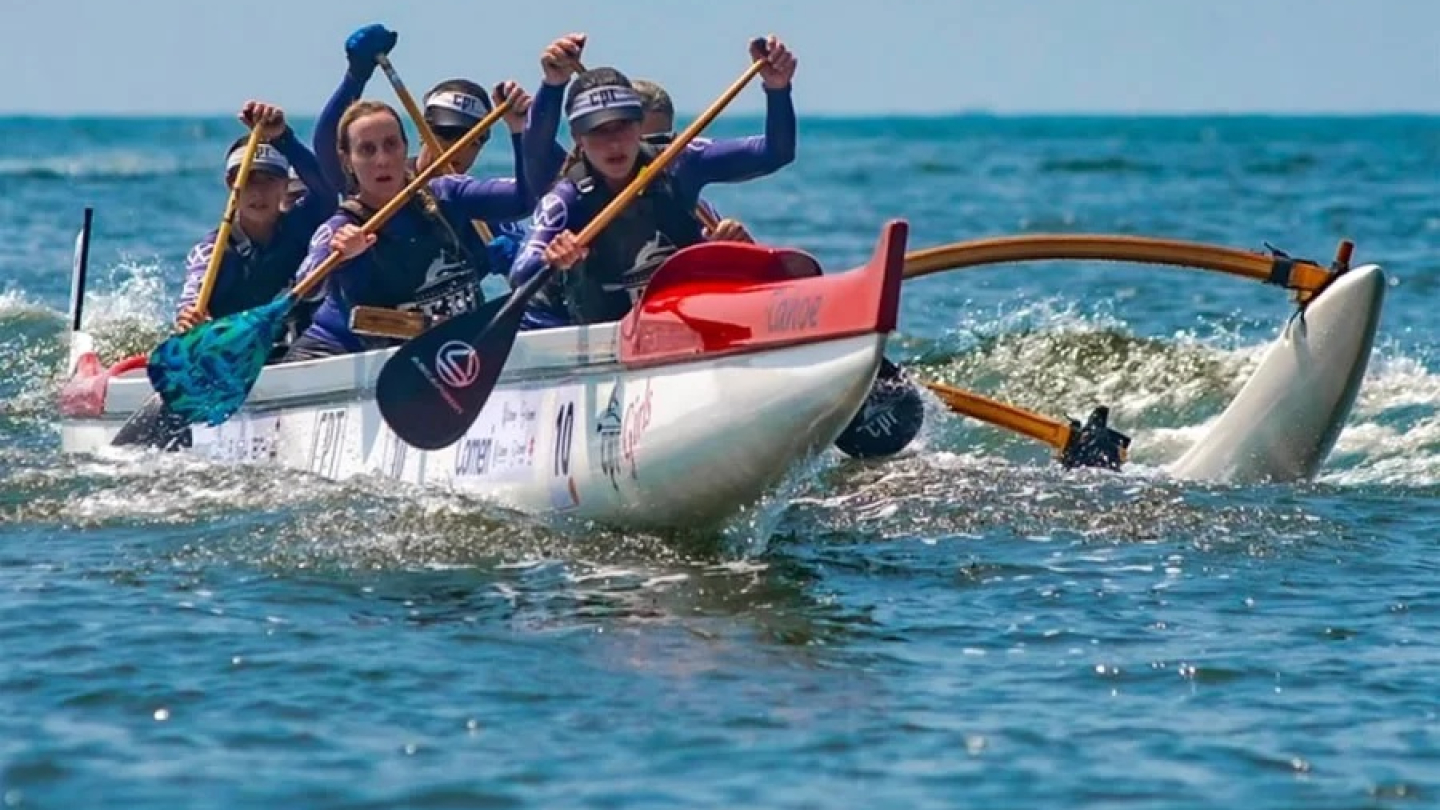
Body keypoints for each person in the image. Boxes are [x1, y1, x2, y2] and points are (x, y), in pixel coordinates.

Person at [511, 36, 797, 330]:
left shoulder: (680, 161)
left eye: (622, 125)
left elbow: (776, 153)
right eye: (597, 131)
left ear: (639, 125)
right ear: (578, 139)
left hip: (663, 321)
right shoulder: (565, 199)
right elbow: (521, 272)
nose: (613, 144)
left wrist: (777, 89)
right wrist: (553, 257)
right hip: (580, 330)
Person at [282, 94, 543, 361]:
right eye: (367, 150)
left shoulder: (448, 193)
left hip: (425, 355)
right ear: (347, 160)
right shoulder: (342, 228)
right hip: (334, 355)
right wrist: (339, 256)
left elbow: (526, 199)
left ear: (406, 147)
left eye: (391, 144)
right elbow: (305, 288)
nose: (382, 159)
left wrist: (520, 130)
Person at [315, 25, 574, 273]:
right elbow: (329, 149)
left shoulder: (467, 200)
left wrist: (522, 129)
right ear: (419, 133)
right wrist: (356, 76)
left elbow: (537, 193)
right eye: (445, 133)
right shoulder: (377, 181)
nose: (456, 147)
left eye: (473, 138)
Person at [175, 100, 335, 347]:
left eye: (268, 180)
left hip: (296, 347)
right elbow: (193, 295)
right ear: (231, 186)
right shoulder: (213, 252)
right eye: (248, 180)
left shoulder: (301, 225)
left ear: (285, 185)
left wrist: (284, 138)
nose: (258, 193)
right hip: (232, 352)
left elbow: (327, 190)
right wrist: (190, 317)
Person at [631, 79, 754, 244]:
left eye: (659, 142)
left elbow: (777, 152)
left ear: (674, 141)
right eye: (638, 145)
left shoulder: (690, 198)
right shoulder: (589, 200)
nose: (650, 154)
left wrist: (732, 246)